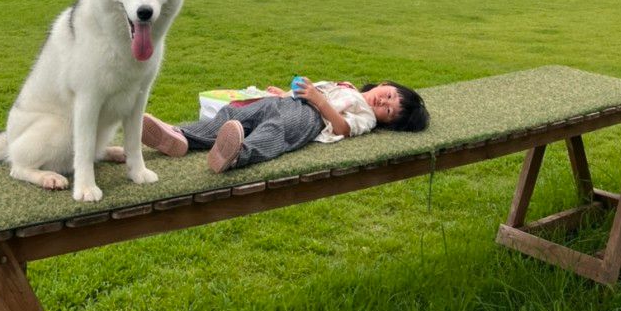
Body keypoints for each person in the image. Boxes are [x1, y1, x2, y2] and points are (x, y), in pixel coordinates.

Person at [142, 76, 429, 174]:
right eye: (389, 96)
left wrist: (319, 102)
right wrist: (282, 93)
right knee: (234, 112)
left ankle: (237, 154)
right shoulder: (348, 85)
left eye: (390, 112)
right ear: (386, 84)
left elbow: (342, 128)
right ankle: (182, 137)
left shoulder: (365, 116)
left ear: (385, 122)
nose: (384, 103)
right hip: (287, 102)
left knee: (275, 130)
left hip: (310, 119)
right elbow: (307, 91)